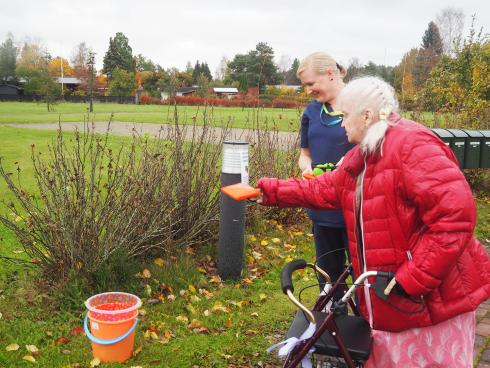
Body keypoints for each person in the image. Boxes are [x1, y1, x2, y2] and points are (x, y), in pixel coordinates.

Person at [256, 76, 490, 367]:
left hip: (428, 299)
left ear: (366, 115)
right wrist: (266, 190)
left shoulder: (413, 146)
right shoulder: (367, 152)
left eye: (344, 116)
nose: (341, 124)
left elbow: (454, 220)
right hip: (394, 297)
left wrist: (411, 279)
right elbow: (325, 188)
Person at [296, 52, 354, 299]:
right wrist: (306, 166)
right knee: (329, 280)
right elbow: (305, 154)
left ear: (330, 74)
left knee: (364, 280)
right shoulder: (311, 112)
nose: (308, 91)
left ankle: (370, 330)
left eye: (311, 84)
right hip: (322, 208)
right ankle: (335, 329)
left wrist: (351, 161)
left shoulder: (361, 105)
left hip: (358, 210)